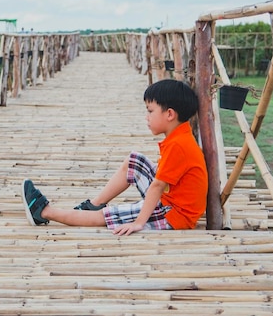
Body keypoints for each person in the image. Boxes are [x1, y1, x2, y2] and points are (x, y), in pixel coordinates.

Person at [22, 79, 208, 236]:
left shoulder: (178, 145)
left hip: (173, 214)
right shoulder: (180, 137)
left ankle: (44, 212)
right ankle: (93, 205)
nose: (146, 117)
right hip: (173, 199)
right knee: (135, 161)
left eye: (150, 111)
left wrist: (138, 222)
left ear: (169, 114)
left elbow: (158, 186)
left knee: (108, 215)